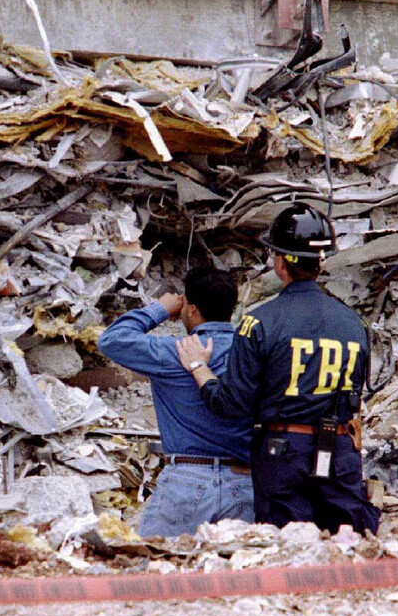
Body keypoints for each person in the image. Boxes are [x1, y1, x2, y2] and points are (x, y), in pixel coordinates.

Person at [176, 203, 380, 535]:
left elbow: (231, 405)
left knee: (288, 547)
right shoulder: (354, 324)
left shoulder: (258, 322)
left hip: (284, 456)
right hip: (341, 453)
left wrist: (199, 367)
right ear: (320, 262)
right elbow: (355, 401)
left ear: (281, 263)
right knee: (352, 545)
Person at [98, 267, 253, 538]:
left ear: (192, 309)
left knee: (159, 568)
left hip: (187, 480)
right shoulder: (252, 351)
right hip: (246, 481)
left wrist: (160, 308)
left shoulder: (175, 352)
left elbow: (112, 339)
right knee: (235, 572)